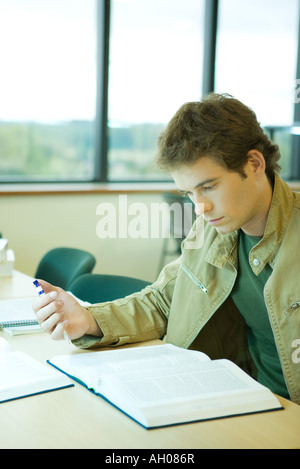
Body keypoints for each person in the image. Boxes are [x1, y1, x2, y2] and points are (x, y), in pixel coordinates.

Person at [33, 93, 300, 404]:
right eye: (189, 192)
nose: (200, 207)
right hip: (244, 400)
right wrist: (89, 320)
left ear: (254, 164)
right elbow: (163, 300)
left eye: (209, 186)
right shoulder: (212, 229)